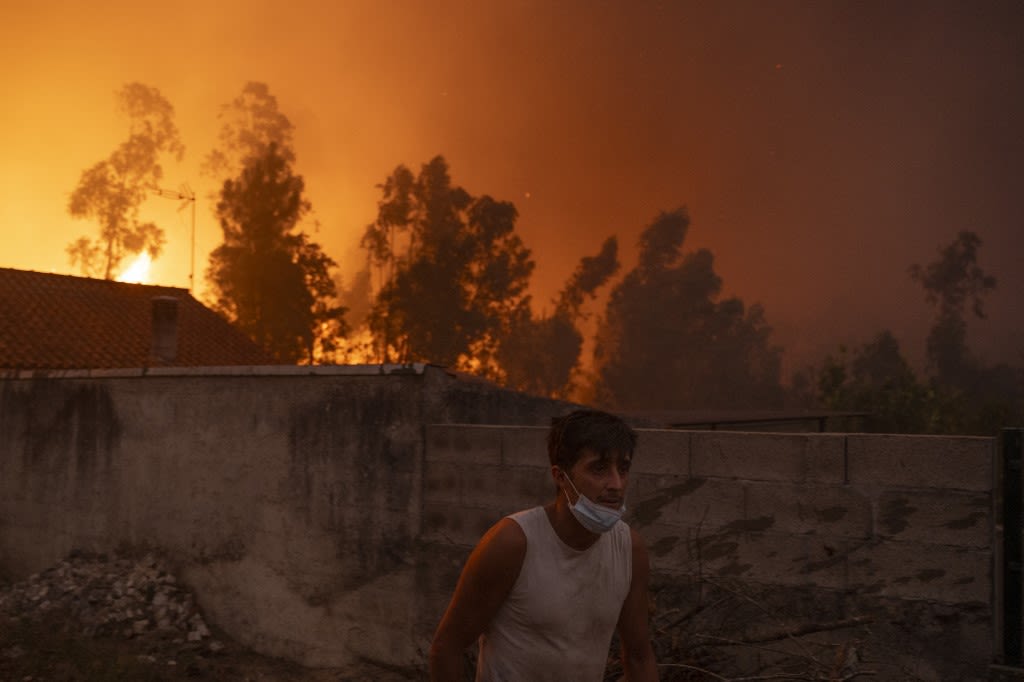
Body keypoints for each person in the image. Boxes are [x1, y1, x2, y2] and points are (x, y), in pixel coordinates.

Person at [429, 409, 659, 681]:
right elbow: (446, 648)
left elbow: (638, 657)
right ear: (560, 476)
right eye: (599, 468)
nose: (616, 484)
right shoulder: (513, 543)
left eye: (623, 469)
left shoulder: (629, 549)